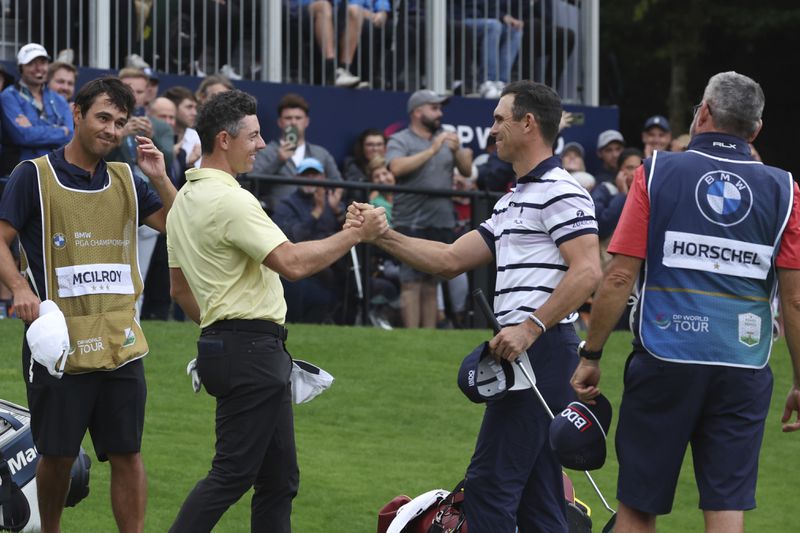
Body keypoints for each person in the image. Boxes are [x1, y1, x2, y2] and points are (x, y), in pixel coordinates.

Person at [348, 80, 601, 530]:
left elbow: (587, 272)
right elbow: (448, 260)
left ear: (529, 123)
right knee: (540, 497)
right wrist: (382, 235)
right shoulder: (513, 199)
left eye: (500, 119)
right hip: (529, 351)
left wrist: (530, 328)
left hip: (536, 349)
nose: (492, 129)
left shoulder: (562, 190)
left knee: (489, 488)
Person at [571, 71, 800, 533]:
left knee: (638, 507)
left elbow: (618, 276)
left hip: (664, 357)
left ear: (704, 113)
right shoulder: (786, 190)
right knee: (725, 506)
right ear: (754, 131)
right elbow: (795, 300)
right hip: (745, 365)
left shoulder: (656, 172)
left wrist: (591, 354)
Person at [165, 89, 386, 532]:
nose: (263, 145)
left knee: (279, 479)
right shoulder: (232, 200)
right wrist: (355, 235)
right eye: (254, 135)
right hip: (251, 353)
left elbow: (178, 291)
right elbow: (293, 263)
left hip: (236, 349)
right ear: (224, 140)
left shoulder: (183, 202)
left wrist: (219, 332)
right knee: (232, 475)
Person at [0, 76, 177, 533]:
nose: (111, 130)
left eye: (119, 122)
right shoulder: (32, 175)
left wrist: (159, 175)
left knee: (128, 452)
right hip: (59, 345)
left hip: (120, 339)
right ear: (75, 114)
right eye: (102, 117)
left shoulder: (127, 178)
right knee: (56, 455)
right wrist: (19, 288)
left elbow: (180, 229)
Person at [385, 89, 473, 328]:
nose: (439, 113)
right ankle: (412, 336)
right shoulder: (401, 139)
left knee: (432, 283)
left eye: (440, 108)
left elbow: (466, 171)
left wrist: (457, 151)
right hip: (411, 219)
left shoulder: (447, 138)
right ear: (417, 112)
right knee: (411, 282)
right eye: (434, 108)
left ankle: (427, 336)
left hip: (441, 220)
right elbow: (396, 167)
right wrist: (432, 150)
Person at [272, 157, 346, 323]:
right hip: (302, 264)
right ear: (297, 177)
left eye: (315, 175)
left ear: (323, 178)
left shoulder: (332, 203)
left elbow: (342, 233)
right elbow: (292, 237)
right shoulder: (286, 204)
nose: (310, 180)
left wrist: (337, 213)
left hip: (333, 262)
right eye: (306, 175)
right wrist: (317, 212)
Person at [251, 92, 342, 209]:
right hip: (279, 219)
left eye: (298, 118)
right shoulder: (265, 151)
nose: (293, 122)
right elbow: (253, 185)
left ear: (306, 122)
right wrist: (279, 161)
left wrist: (330, 204)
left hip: (316, 218)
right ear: (280, 122)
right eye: (288, 118)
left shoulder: (321, 153)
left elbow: (339, 185)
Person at [0, 43, 73, 176]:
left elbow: (70, 135)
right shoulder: (8, 96)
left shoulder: (59, 99)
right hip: (22, 172)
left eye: (43, 62)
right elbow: (23, 136)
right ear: (21, 67)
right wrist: (60, 130)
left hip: (57, 171)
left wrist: (34, 129)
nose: (38, 68)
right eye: (32, 63)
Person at [454, 1, 524, 99]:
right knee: (493, 26)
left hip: (484, 20)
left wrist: (503, 16)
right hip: (459, 19)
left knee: (515, 30)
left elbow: (489, 8)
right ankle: (487, 82)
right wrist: (502, 16)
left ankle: (501, 83)